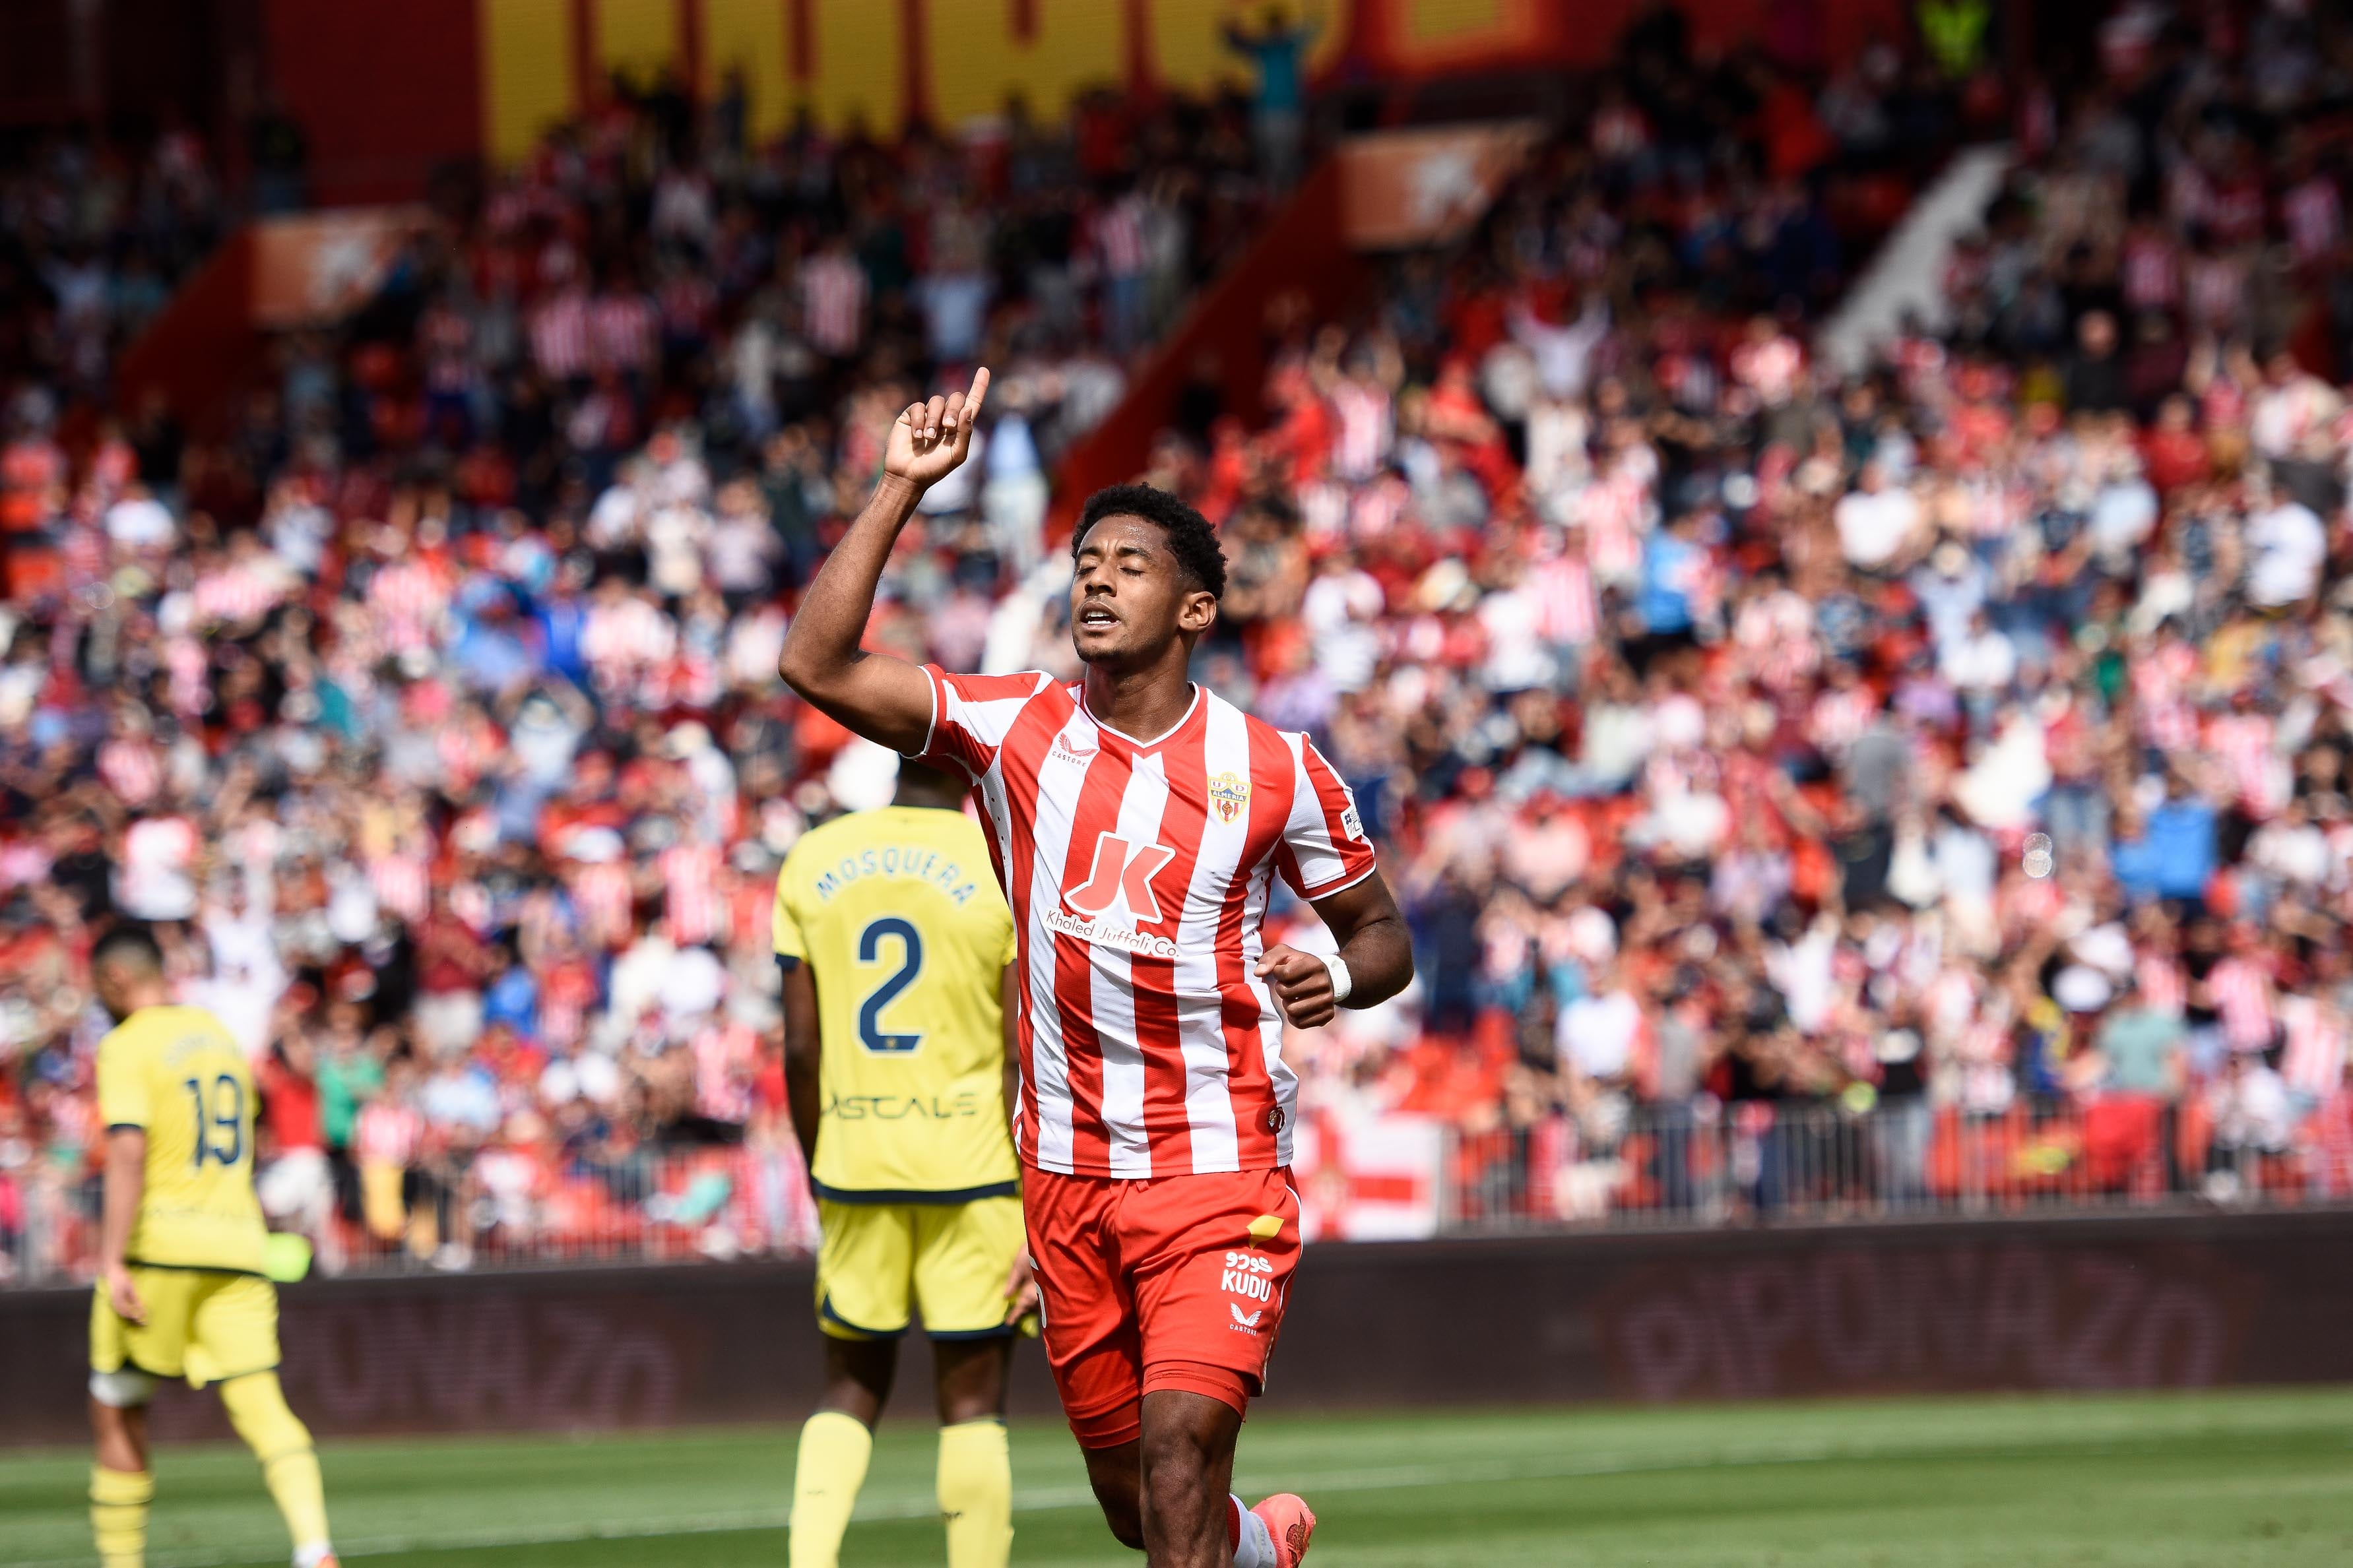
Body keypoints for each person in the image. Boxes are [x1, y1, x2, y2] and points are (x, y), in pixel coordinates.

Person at [780, 369, 1414, 1568]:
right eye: (1086, 562)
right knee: (1141, 1507)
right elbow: (815, 663)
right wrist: (900, 486)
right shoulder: (1011, 725)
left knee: (1180, 1453)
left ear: (1194, 609)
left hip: (1215, 1166)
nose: (1096, 578)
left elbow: (1383, 934)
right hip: (1064, 1179)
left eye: (1129, 563)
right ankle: (1258, 1549)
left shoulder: (1272, 766)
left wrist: (1340, 971)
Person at [773, 759, 1034, 1568]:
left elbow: (800, 1045)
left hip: (855, 1161)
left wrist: (821, 1158)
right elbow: (1021, 1054)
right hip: (977, 1168)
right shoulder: (1000, 859)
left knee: (849, 1389)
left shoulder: (813, 857)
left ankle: (808, 1563)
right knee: (972, 1404)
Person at [84, 924, 337, 1568]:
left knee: (117, 1403)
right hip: (237, 1246)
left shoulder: (126, 1044)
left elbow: (128, 1147)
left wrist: (111, 1257)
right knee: (263, 1408)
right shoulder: (219, 1037)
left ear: (115, 979)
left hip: (158, 1247)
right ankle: (315, 1549)